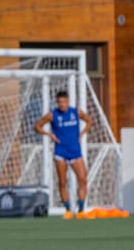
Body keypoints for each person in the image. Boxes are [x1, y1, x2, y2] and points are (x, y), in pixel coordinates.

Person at [34, 90, 93, 220]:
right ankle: (67, 210)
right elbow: (37, 126)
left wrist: (82, 133)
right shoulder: (52, 115)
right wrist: (49, 135)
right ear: (57, 102)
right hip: (60, 152)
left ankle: (81, 210)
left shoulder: (76, 112)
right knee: (62, 181)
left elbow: (89, 121)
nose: (62, 104)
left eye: (64, 102)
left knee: (83, 178)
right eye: (60, 102)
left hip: (74, 151)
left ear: (68, 102)